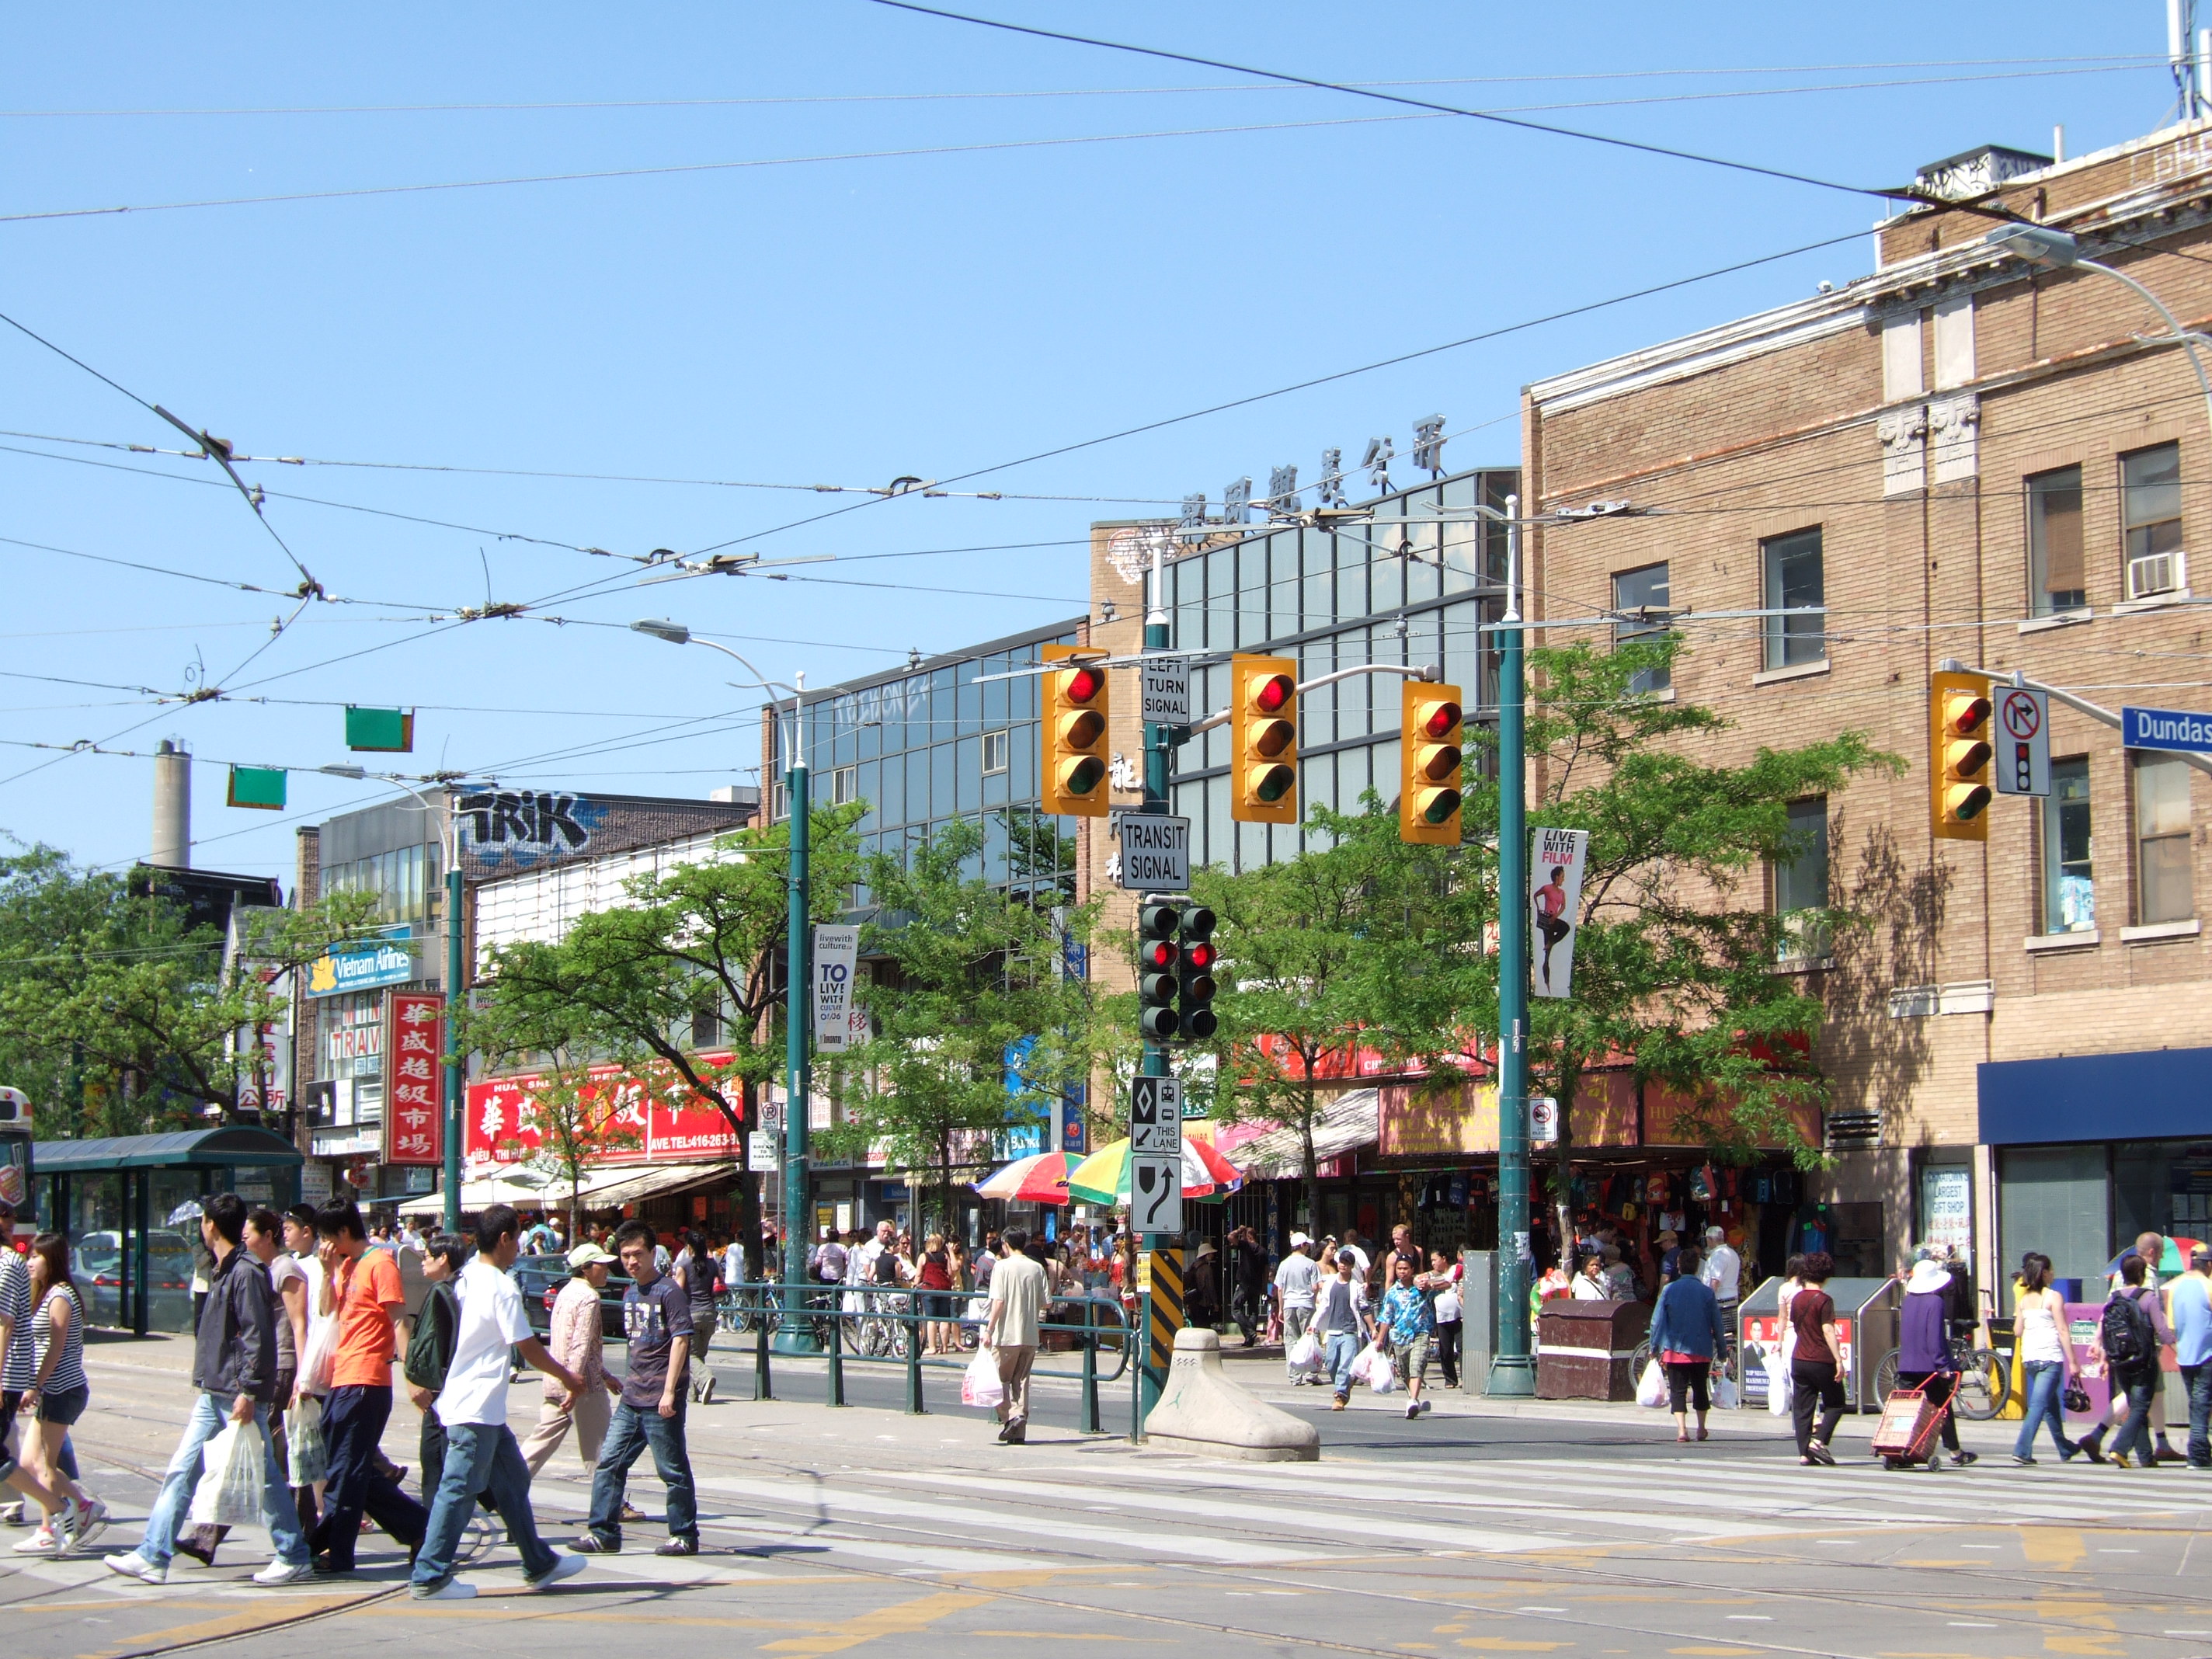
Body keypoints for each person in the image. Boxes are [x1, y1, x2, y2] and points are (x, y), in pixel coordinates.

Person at [104, 1196, 303, 1586]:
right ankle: (153, 1554)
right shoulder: (224, 1268)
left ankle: (293, 1552)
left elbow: (256, 1336)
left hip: (234, 1394)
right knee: (182, 1470)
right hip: (217, 1392)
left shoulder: (244, 1272)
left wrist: (248, 1391)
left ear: (211, 1225)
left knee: (261, 1475)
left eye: (203, 1221)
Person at [409, 1205, 585, 1602]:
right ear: (504, 1239)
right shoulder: (502, 1286)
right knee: (458, 1488)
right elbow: (524, 1345)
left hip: (476, 1404)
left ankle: (539, 1561)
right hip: (475, 1406)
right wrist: (567, 1376)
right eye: (517, 1239)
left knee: (513, 1480)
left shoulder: (467, 1275)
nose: (519, 1248)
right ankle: (430, 1574)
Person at [177, 1206, 311, 1567]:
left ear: (267, 1237)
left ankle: (296, 1544)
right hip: (253, 1374)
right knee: (251, 1458)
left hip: (277, 1369)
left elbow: (297, 1325)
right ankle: (204, 1538)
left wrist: (302, 1373)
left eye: (251, 1235)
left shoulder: (281, 1269)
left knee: (261, 1462)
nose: (246, 1240)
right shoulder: (246, 1268)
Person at [307, 1199, 428, 1573]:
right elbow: (328, 1311)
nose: (323, 1244)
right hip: (342, 1376)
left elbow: (398, 1321)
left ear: (342, 1233)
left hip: (368, 1378)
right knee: (350, 1467)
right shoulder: (345, 1266)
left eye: (327, 1236)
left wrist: (411, 1376)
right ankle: (420, 1528)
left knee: (347, 1470)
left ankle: (336, 1551)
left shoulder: (380, 1263)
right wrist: (329, 1272)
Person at [575, 1219, 698, 1556]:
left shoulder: (668, 1291)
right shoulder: (630, 1292)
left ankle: (684, 1535)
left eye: (638, 1254)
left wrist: (670, 1391)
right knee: (610, 1463)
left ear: (652, 1252)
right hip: (633, 1396)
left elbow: (681, 1340)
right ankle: (603, 1532)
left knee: (672, 1470)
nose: (631, 1261)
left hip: (660, 1398)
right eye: (626, 1255)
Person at [10, 1231, 103, 1556]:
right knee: (30, 1462)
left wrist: (35, 1385)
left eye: (36, 1256)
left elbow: (55, 1345)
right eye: (29, 1256)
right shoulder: (47, 1293)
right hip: (51, 1388)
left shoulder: (61, 1295)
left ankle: (50, 1529)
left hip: (61, 1389)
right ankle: (80, 1504)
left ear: (52, 1260)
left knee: (43, 1464)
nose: (30, 1262)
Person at [523, 1240, 616, 1477]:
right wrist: (574, 1386)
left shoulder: (565, 1292)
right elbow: (581, 1344)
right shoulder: (589, 1297)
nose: (606, 1270)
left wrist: (606, 1375)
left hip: (556, 1380)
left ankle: (504, 1489)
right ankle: (609, 1503)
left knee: (539, 1444)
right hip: (582, 1386)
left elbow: (567, 1342)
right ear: (585, 1268)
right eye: (600, 1266)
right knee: (602, 1449)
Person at [2079, 1252, 2169, 1469]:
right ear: (2142, 1273)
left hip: (2120, 1359)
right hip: (2143, 1359)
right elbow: (2162, 1331)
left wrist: (2098, 1345)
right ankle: (2119, 1449)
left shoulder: (2115, 1298)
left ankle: (2146, 1455)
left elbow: (2104, 1321)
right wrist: (2175, 1342)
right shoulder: (2148, 1298)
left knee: (2134, 1402)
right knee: (2140, 1406)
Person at [400, 1234, 470, 1504]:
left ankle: (431, 1526)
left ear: (443, 1259)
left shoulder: (440, 1292)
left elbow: (428, 1344)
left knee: (435, 1461)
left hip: (440, 1390)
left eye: (427, 1256)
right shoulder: (463, 1287)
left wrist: (417, 1380)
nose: (422, 1262)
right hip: (454, 1386)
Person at [1890, 1248, 1975, 1467]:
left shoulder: (1908, 1301)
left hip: (1907, 1364)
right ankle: (1955, 1452)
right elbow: (1934, 1338)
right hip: (1928, 1366)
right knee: (1942, 1408)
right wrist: (1943, 1366)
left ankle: (1898, 1447)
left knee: (1906, 1412)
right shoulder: (1935, 1303)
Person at [2012, 1250, 2081, 1466]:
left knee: (2050, 1404)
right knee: (2039, 1404)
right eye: (2051, 1270)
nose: (2053, 1273)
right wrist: (2074, 1362)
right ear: (2045, 1273)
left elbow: (2017, 1331)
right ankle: (2022, 1449)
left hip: (2030, 1358)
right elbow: (2062, 1329)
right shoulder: (2054, 1297)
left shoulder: (2023, 1300)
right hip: (2050, 1357)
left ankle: (2065, 1448)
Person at [1650, 1245, 1724, 1443]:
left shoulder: (1669, 1289)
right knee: (1700, 1388)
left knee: (1678, 1390)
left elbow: (1656, 1321)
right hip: (1701, 1349)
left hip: (1674, 1350)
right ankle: (1701, 1428)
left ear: (1679, 1266)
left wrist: (1653, 1347)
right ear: (1697, 1268)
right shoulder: (1707, 1292)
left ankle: (1682, 1430)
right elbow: (1717, 1323)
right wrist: (1723, 1350)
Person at [983, 1225, 1049, 1445]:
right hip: (1029, 1334)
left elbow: (998, 1302)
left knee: (997, 1379)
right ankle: (1019, 1426)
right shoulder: (1037, 1267)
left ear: (1006, 1244)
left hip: (1006, 1334)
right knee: (1021, 1381)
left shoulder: (1001, 1267)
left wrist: (988, 1330)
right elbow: (1047, 1302)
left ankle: (1010, 1417)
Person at [1787, 1250, 1845, 1466]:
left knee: (1803, 1407)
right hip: (1821, 1359)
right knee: (1836, 1403)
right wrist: (1838, 1359)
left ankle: (1804, 1453)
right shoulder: (1824, 1300)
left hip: (1799, 1358)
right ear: (1826, 1274)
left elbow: (1796, 1325)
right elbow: (1828, 1330)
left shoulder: (1797, 1298)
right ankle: (1819, 1442)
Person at [1313, 1246, 1373, 1410]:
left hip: (1350, 1331)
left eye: (1347, 1263)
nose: (1343, 1266)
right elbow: (1324, 1305)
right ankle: (1345, 1384)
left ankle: (1340, 1395)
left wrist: (1372, 1327)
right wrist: (1313, 1325)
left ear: (1352, 1266)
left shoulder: (1356, 1287)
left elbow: (1364, 1308)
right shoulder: (1330, 1283)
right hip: (1333, 1330)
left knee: (1345, 1364)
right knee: (1331, 1363)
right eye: (1341, 1262)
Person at [1377, 1255, 1435, 1420]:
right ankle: (1415, 1400)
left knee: (1416, 1365)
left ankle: (1412, 1401)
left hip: (1420, 1333)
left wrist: (1427, 1282)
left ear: (1412, 1270)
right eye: (1399, 1269)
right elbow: (1385, 1317)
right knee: (1405, 1373)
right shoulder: (1392, 1293)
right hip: (1400, 1337)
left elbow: (1445, 1280)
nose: (1402, 1272)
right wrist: (1380, 1340)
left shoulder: (1422, 1288)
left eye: (1405, 1269)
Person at [2171, 1243, 2212, 1469]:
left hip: (2185, 1357)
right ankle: (2197, 1455)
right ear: (2208, 1264)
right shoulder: (2209, 1286)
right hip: (2207, 1356)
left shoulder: (2177, 1288)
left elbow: (2172, 1326)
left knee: (2197, 1405)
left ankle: (2200, 1451)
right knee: (2201, 1406)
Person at [673, 1229, 718, 1405]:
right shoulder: (712, 1264)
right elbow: (719, 1285)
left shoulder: (684, 1265)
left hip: (691, 1313)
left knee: (687, 1355)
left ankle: (705, 1377)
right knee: (698, 1354)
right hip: (710, 1314)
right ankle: (693, 1394)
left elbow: (677, 1291)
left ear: (689, 1248)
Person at [1275, 1236, 1320, 1381]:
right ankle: (1311, 1373)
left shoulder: (1284, 1264)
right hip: (1306, 1303)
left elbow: (1280, 1289)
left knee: (1291, 1340)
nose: (1308, 1247)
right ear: (1301, 1245)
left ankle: (1294, 1375)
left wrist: (1281, 1309)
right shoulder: (1310, 1264)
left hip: (1289, 1304)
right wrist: (1314, 1300)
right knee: (1309, 1337)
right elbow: (1315, 1286)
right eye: (1306, 1245)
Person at [1424, 1250, 1464, 1390]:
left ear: (1444, 1258)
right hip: (1442, 1318)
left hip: (1459, 1316)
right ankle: (1450, 1379)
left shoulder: (1455, 1270)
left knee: (1461, 1348)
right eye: (1432, 1261)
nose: (1433, 1263)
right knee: (1445, 1350)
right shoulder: (1432, 1275)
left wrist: (1434, 1285)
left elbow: (1451, 1282)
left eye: (1436, 1260)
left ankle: (1465, 1378)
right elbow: (1421, 1280)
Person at [1700, 1226, 1742, 1359]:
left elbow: (1715, 1282)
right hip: (1732, 1299)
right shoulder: (1733, 1254)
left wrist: (1706, 1302)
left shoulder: (1718, 1256)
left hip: (1720, 1302)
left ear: (1710, 1239)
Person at [917, 1233, 957, 1355]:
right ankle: (944, 1347)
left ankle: (932, 1347)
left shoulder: (924, 1256)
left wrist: (915, 1285)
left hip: (929, 1288)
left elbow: (919, 1274)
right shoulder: (945, 1256)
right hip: (944, 1288)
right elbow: (952, 1271)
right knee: (944, 1319)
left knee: (931, 1319)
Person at [1228, 1226, 1268, 1347]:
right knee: (1253, 1311)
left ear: (1249, 1237)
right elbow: (1266, 1271)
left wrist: (1240, 1230)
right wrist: (1264, 1287)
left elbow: (1230, 1237)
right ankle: (1249, 1339)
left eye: (1244, 1236)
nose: (1242, 1238)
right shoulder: (1263, 1251)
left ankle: (1250, 1332)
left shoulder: (1246, 1246)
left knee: (1235, 1308)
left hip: (1244, 1284)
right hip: (1256, 1285)